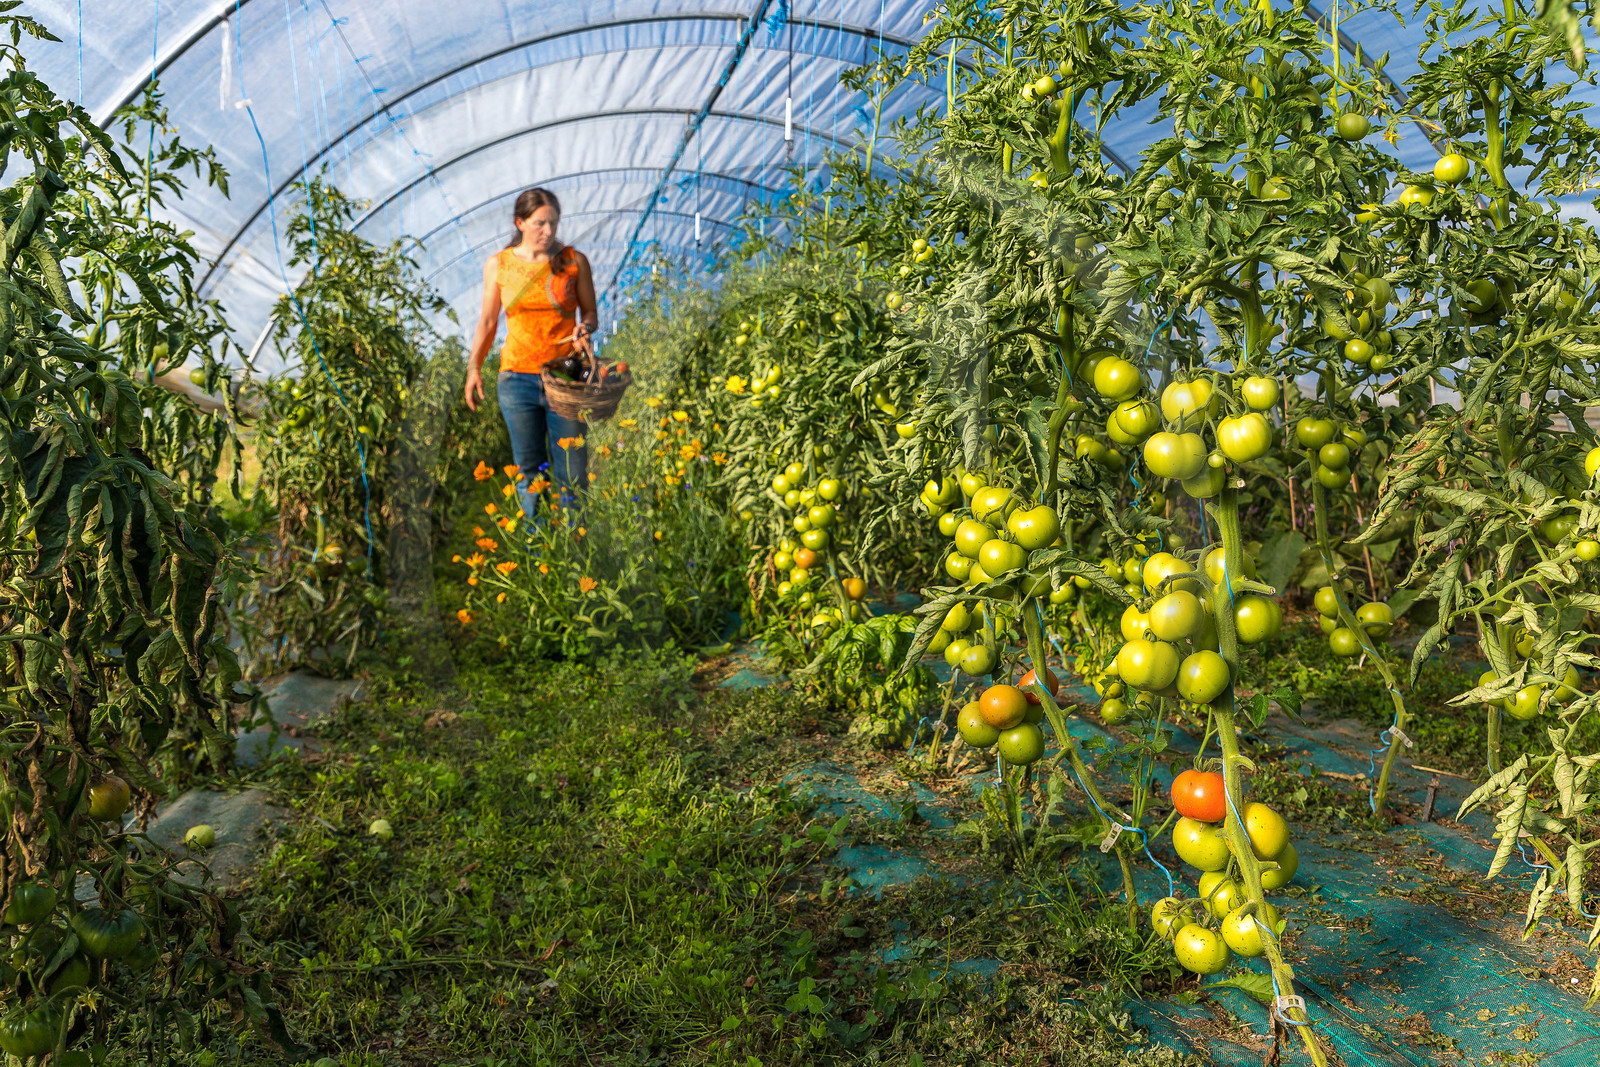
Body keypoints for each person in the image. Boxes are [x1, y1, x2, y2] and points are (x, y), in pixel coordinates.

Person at [464, 188, 599, 520]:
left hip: (565, 379)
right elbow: (488, 320)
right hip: (516, 379)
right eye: (540, 223)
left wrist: (585, 329)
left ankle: (575, 553)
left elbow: (591, 314)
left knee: (572, 472)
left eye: (553, 223)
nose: (549, 231)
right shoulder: (500, 265)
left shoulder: (573, 262)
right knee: (529, 472)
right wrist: (474, 367)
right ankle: (539, 556)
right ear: (520, 223)